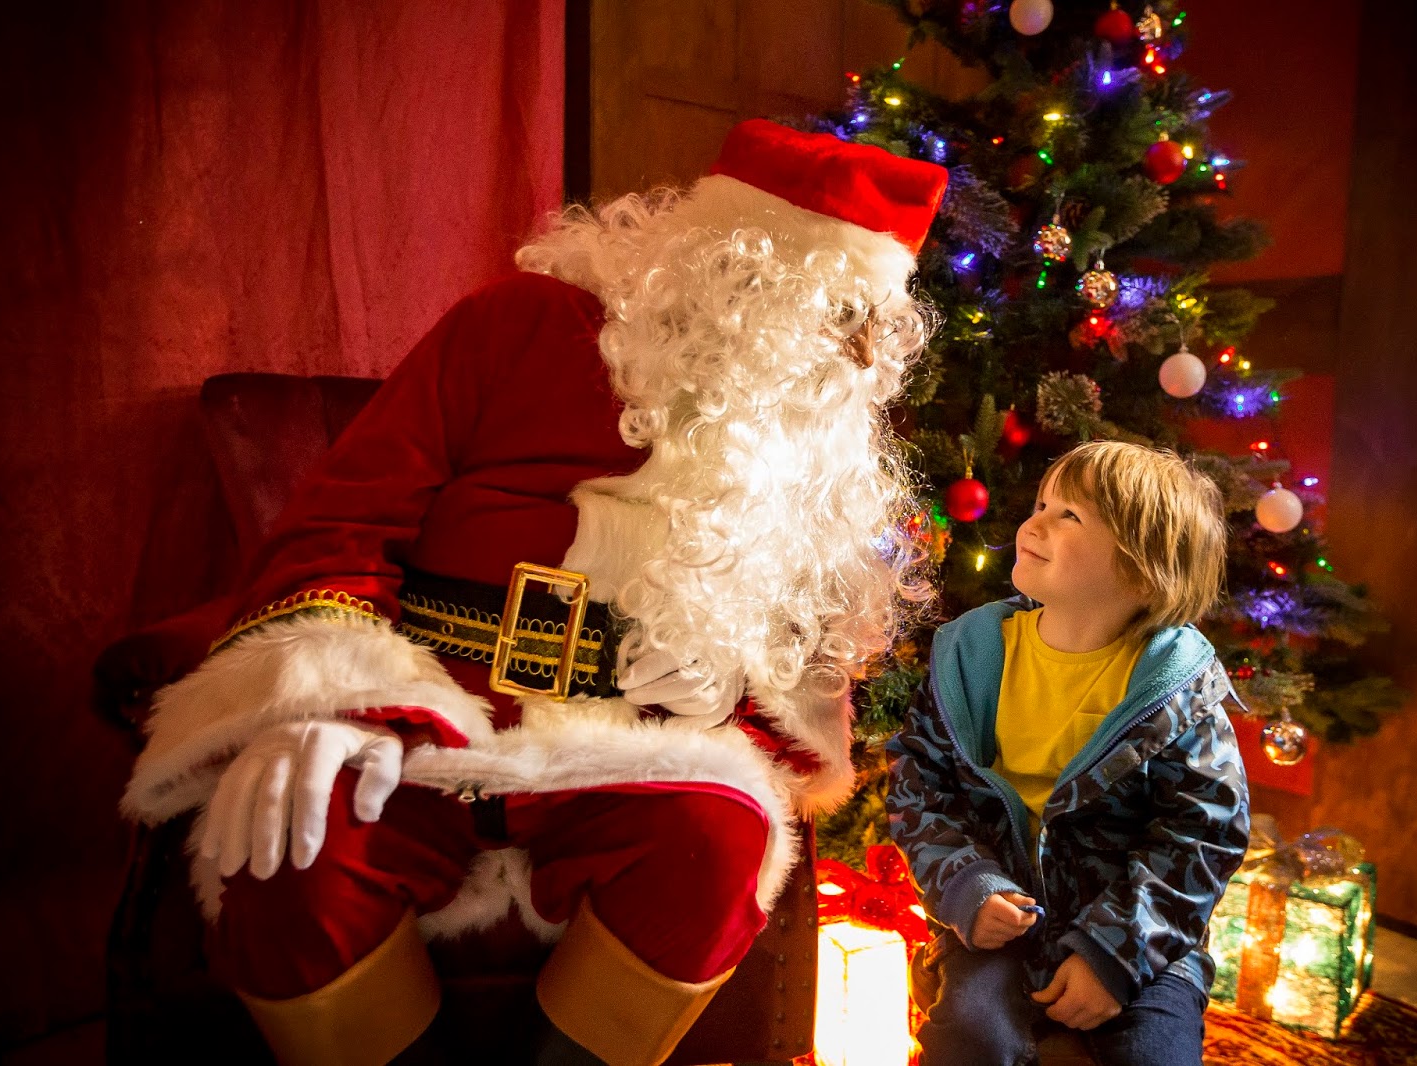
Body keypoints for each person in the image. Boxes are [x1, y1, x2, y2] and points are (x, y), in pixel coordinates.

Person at [120, 119, 948, 1066]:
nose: (846, 347)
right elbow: (339, 523)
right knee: (290, 858)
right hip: (426, 722)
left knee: (715, 844)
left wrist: (729, 699)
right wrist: (330, 700)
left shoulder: (813, 439)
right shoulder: (518, 324)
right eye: (822, 306)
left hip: (635, 755)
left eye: (863, 319)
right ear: (729, 264)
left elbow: (799, 689)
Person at [886, 440, 1252, 1066]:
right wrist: (968, 887)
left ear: (1142, 568)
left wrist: (1116, 953)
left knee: (1155, 1056)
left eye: (1069, 516)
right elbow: (919, 788)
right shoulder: (971, 657)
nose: (1034, 523)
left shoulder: (1174, 686)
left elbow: (1202, 833)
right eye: (1041, 504)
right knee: (968, 1038)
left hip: (1140, 935)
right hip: (1000, 923)